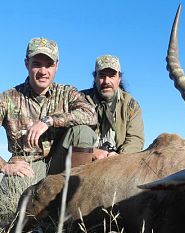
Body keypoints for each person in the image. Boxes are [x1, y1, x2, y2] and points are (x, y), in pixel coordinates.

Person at [0, 37, 97, 199]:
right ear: (26, 64)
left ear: (57, 66)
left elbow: (90, 115)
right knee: (13, 206)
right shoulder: (8, 98)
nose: (43, 71)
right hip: (28, 166)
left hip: (62, 163)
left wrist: (49, 121)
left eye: (49, 65)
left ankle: (75, 200)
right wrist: (5, 166)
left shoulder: (67, 93)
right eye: (37, 64)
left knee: (84, 132)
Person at [81, 55, 144, 160]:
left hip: (118, 162)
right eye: (102, 76)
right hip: (86, 160)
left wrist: (119, 157)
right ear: (95, 77)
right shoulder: (80, 100)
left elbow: (135, 139)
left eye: (112, 76)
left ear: (119, 78)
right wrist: (90, 151)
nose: (106, 81)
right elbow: (71, 136)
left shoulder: (131, 105)